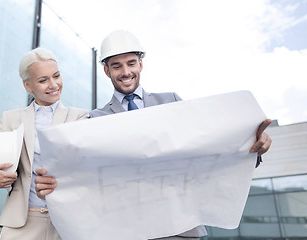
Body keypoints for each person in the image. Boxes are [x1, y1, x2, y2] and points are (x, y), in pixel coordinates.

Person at [34, 30, 272, 240]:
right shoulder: (94, 120)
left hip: (179, 228)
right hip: (125, 230)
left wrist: (251, 147)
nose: (126, 72)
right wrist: (55, 185)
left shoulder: (172, 102)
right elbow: (85, 177)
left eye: (131, 63)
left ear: (141, 65)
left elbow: (205, 148)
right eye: (117, 66)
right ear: (106, 71)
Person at [0, 47, 88, 240]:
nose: (53, 84)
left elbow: (85, 167)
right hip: (20, 224)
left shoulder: (79, 117)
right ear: (28, 86)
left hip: (66, 224)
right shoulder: (11, 119)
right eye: (43, 80)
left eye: (56, 76)